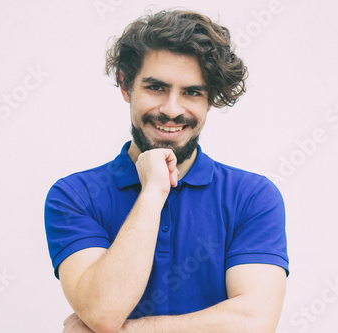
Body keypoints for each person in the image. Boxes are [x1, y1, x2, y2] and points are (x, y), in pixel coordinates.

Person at [45, 9, 289, 333]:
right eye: (156, 87)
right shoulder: (74, 196)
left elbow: (253, 322)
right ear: (125, 85)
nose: (172, 110)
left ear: (210, 99)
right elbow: (104, 311)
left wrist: (126, 331)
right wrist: (153, 191)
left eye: (192, 92)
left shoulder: (253, 197)